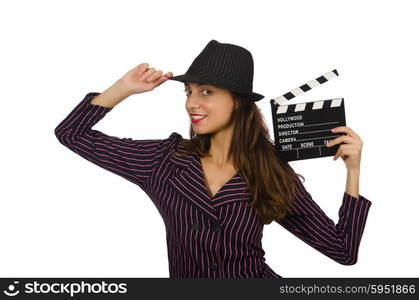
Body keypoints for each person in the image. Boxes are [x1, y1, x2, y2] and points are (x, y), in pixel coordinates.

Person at [54, 40, 372, 278]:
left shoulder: (270, 170)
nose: (192, 102)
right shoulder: (163, 162)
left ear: (237, 103)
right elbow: (71, 134)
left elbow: (342, 250)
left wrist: (353, 171)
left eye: (206, 92)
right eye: (188, 92)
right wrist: (123, 88)